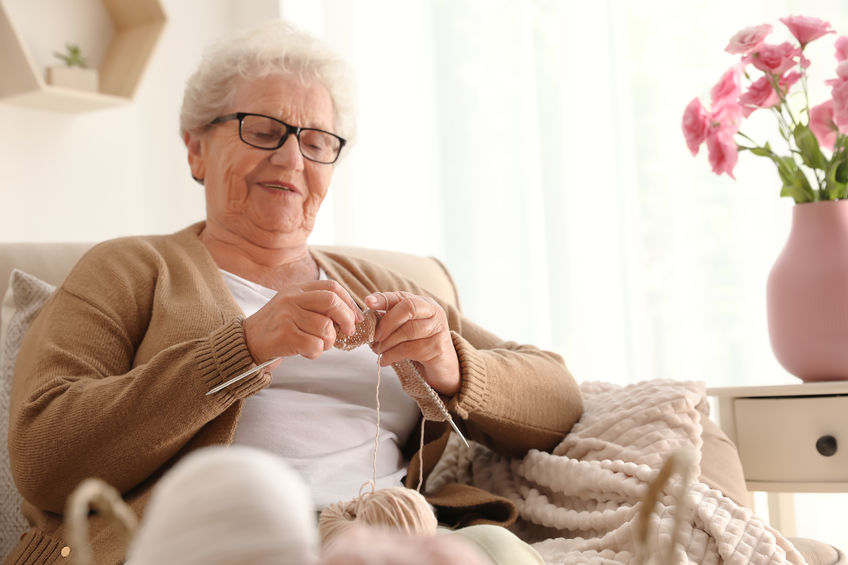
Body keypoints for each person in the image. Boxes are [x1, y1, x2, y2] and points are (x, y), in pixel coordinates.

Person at [6, 19, 583, 565]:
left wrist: (450, 364)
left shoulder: (382, 284)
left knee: (499, 550)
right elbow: (44, 456)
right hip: (229, 539)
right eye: (261, 131)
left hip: (390, 531)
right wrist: (243, 349)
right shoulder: (130, 267)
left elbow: (559, 400)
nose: (290, 158)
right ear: (196, 149)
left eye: (317, 141)